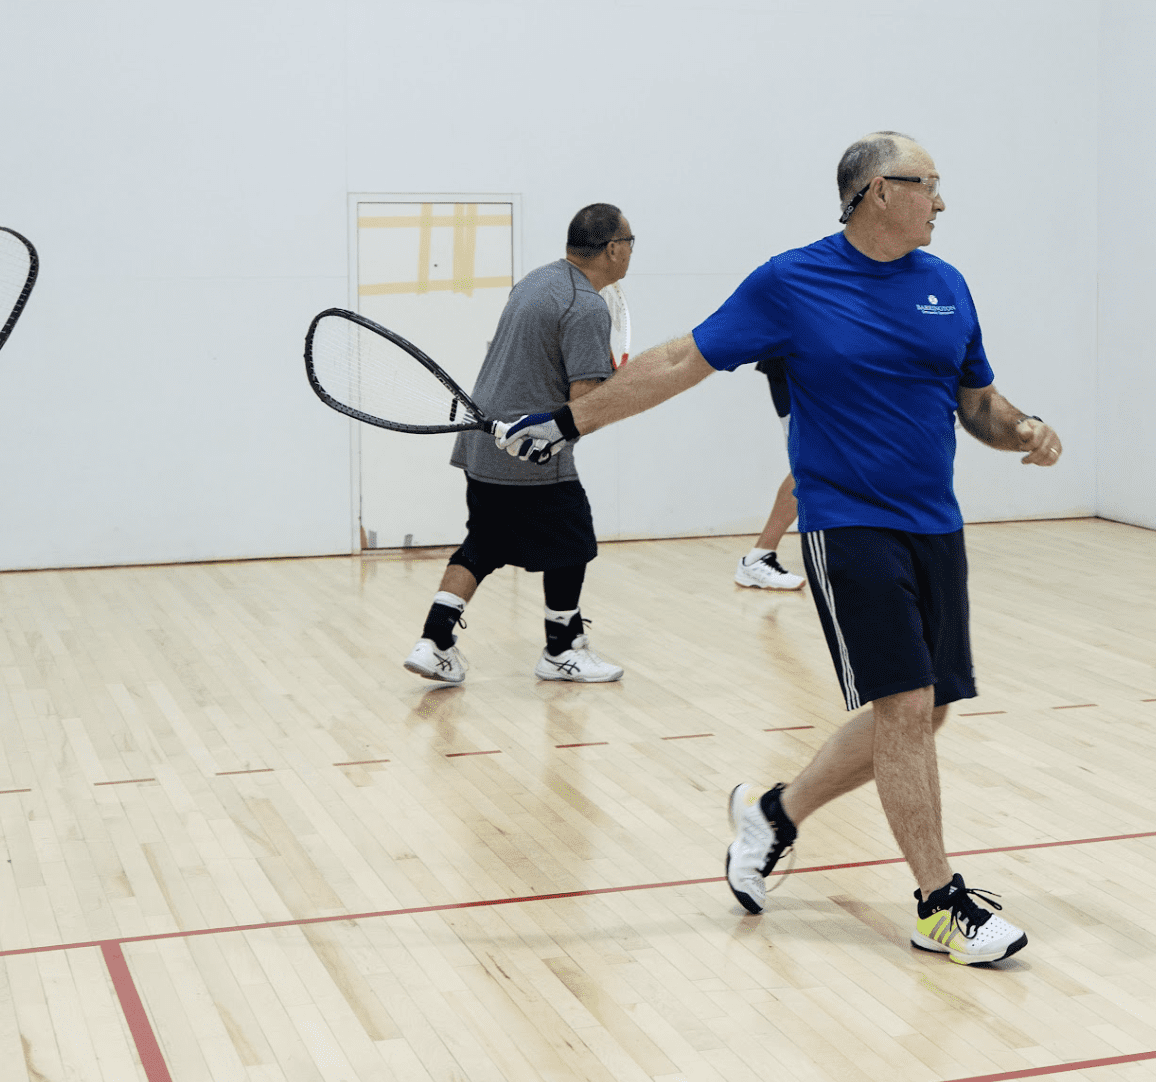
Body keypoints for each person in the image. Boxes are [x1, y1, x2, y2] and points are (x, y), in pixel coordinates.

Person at [497, 133, 1061, 965]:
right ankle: (940, 906)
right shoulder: (792, 281)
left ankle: (773, 816)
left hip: (936, 527)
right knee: (904, 708)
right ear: (875, 191)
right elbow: (683, 358)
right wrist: (570, 420)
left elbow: (975, 400)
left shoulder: (947, 286)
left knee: (925, 712)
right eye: (928, 185)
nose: (941, 201)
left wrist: (1022, 430)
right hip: (846, 523)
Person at [403, 204, 630, 685]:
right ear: (612, 249)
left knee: (484, 542)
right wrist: (623, 386)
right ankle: (561, 650)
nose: (631, 251)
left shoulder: (538, 280)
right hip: (529, 451)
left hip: (481, 442)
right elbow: (584, 405)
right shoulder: (586, 306)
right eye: (630, 241)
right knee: (573, 542)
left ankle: (434, 641)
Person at [733, 360, 805, 590]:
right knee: (809, 466)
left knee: (816, 464)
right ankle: (757, 558)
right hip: (799, 372)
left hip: (821, 370)